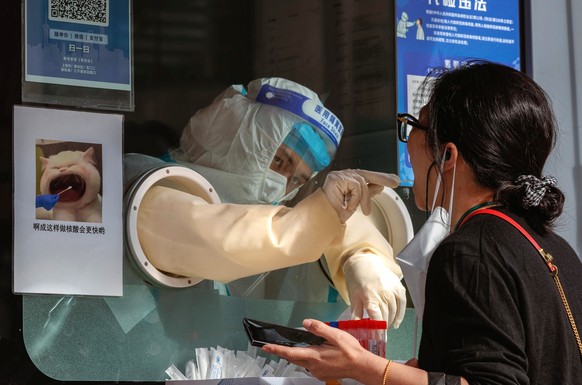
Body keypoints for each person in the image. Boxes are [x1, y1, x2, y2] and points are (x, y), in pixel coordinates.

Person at [262, 60, 582, 384]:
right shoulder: (555, 248)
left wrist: (364, 367)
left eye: (415, 124)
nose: (409, 140)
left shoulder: (470, 253)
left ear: (447, 156)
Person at [127, 77, 407, 326]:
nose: (282, 185)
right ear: (231, 131)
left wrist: (363, 256)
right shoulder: (149, 185)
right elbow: (225, 237)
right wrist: (327, 211)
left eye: (297, 179)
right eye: (279, 160)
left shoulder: (277, 223)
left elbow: (301, 225)